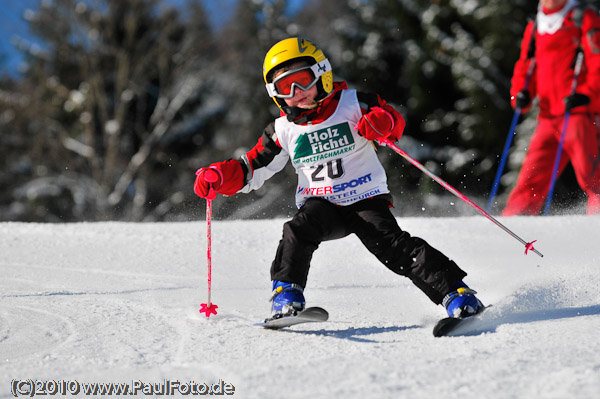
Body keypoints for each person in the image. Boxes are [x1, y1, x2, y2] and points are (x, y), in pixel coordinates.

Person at [193, 37, 483, 320]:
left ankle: (456, 294)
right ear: (275, 94)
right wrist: (220, 176)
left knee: (394, 247)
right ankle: (286, 295)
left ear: (322, 74)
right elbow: (253, 167)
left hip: (364, 198)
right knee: (297, 230)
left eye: (302, 79)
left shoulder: (353, 103)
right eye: (285, 87)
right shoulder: (283, 129)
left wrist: (382, 122)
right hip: (322, 205)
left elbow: (393, 120)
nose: (296, 91)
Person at [502, 0, 600, 216]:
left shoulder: (583, 16)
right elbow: (526, 63)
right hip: (547, 117)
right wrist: (521, 93)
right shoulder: (537, 23)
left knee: (593, 177)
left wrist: (587, 94)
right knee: (531, 178)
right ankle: (511, 228)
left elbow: (597, 59)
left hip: (579, 113)